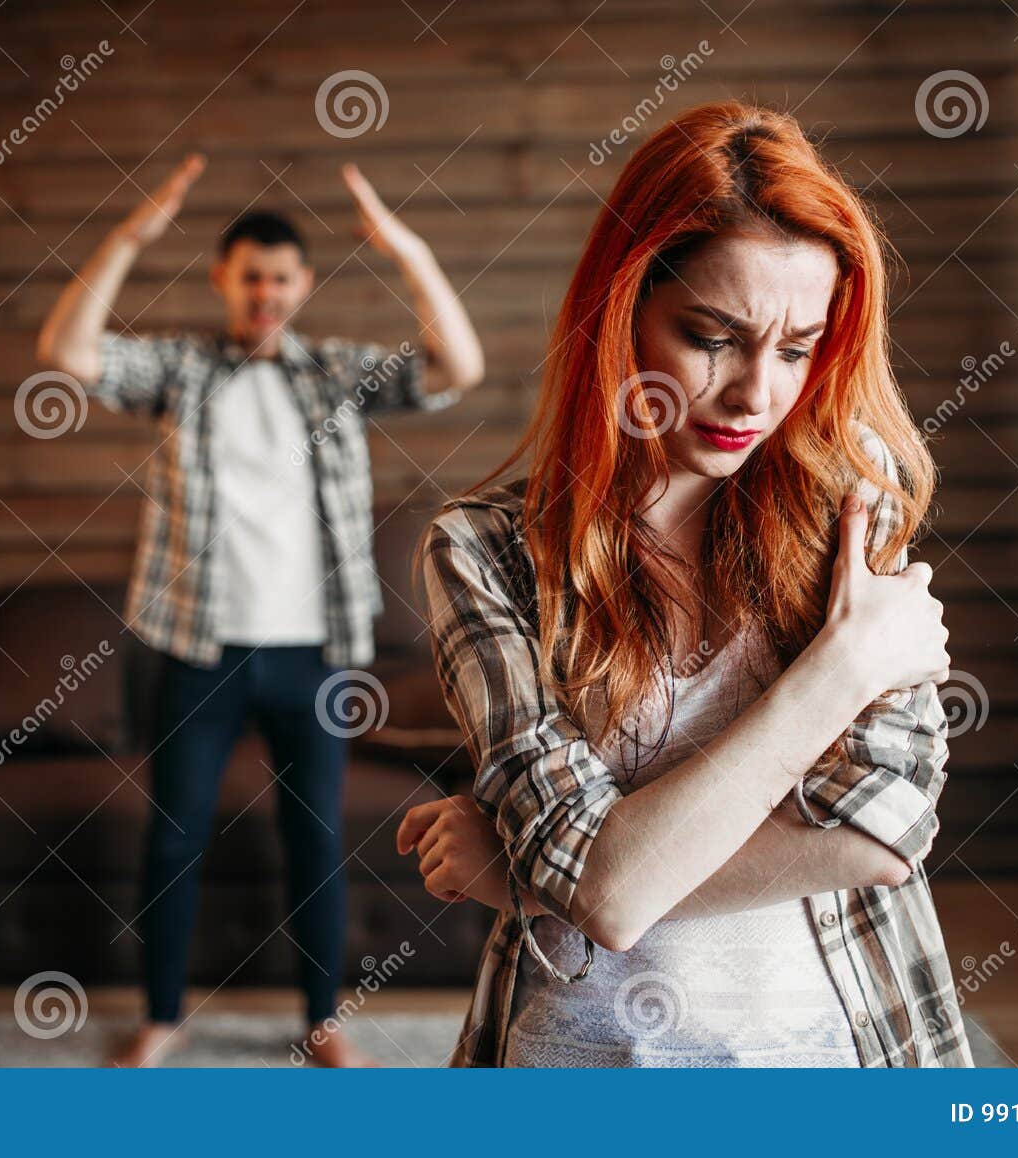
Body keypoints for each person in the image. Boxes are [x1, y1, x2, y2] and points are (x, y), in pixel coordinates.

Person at [395, 100, 970, 1067]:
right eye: (712, 336)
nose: (757, 393)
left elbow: (883, 830)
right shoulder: (482, 552)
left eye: (795, 348)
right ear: (621, 315)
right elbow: (609, 901)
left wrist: (539, 875)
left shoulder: (851, 498)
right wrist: (840, 669)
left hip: (835, 1055)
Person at [36, 153, 484, 1068]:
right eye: (251, 278)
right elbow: (67, 353)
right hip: (197, 648)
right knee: (174, 836)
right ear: (224, 280)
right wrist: (129, 235)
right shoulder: (180, 371)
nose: (266, 293)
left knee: (313, 838)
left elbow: (459, 366)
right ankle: (163, 1015)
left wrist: (401, 245)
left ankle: (321, 1018)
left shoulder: (333, 376)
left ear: (301, 284)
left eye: (281, 278)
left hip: (310, 656)